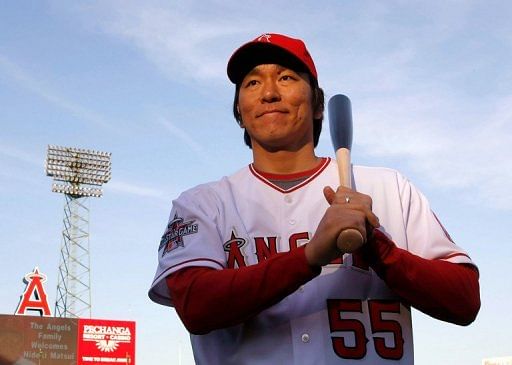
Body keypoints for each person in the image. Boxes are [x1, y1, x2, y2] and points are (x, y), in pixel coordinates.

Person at [149, 33, 480, 364]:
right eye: (251, 83)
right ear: (239, 108)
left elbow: (464, 300)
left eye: (286, 77)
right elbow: (196, 305)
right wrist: (310, 256)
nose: (268, 93)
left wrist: (380, 251)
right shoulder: (203, 204)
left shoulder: (388, 187)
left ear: (319, 105)